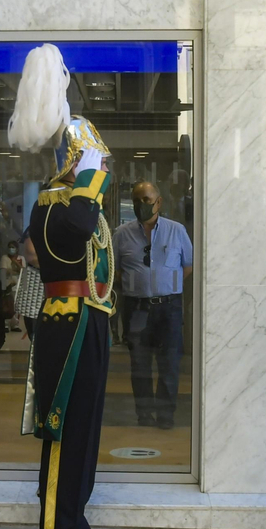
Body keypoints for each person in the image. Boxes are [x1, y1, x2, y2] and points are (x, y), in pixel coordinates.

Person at [8, 44, 117, 529]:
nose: (101, 164)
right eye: (94, 156)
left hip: (86, 318)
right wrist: (91, 178)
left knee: (86, 427)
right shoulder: (60, 200)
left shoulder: (59, 195)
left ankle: (74, 518)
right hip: (67, 322)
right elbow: (77, 228)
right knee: (63, 430)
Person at [113, 181, 194, 428]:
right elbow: (114, 270)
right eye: (136, 200)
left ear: (158, 202)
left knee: (169, 362)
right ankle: (145, 415)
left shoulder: (176, 230)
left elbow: (188, 265)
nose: (141, 205)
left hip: (169, 307)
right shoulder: (121, 234)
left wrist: (164, 285)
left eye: (146, 200)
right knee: (140, 364)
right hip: (136, 308)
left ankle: (166, 416)